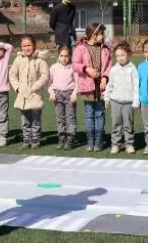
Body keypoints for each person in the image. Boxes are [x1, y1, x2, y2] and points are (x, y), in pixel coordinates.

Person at [73, 23, 112, 152]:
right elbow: (75, 65)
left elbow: (108, 67)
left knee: (100, 114)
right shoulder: (80, 48)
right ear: (93, 35)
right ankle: (90, 141)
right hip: (87, 87)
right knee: (89, 114)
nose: (103, 36)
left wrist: (105, 78)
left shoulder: (105, 49)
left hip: (100, 88)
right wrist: (87, 69)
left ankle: (99, 141)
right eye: (101, 34)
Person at [9, 35, 49, 149]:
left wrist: (34, 87)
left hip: (35, 95)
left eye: (29, 45)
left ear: (34, 46)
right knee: (25, 120)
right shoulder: (18, 59)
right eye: (24, 46)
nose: (27, 48)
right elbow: (12, 75)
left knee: (35, 120)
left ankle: (35, 139)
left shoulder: (40, 60)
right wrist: (17, 88)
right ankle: (26, 140)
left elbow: (45, 76)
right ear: (21, 47)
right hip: (22, 95)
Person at [105, 41, 139, 155]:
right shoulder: (114, 69)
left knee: (128, 124)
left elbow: (136, 86)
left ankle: (129, 144)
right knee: (116, 124)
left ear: (128, 54)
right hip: (116, 101)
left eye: (122, 55)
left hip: (128, 102)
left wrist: (135, 100)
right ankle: (116, 144)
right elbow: (110, 85)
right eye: (118, 56)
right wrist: (107, 98)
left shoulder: (132, 69)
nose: (120, 58)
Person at [48, 45, 78, 150]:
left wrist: (74, 94)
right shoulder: (53, 68)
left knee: (70, 118)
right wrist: (51, 93)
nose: (64, 58)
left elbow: (78, 83)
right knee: (60, 118)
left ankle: (70, 138)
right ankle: (61, 137)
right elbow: (49, 83)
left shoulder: (73, 68)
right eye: (61, 56)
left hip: (70, 95)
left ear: (70, 56)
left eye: (66, 56)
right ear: (58, 55)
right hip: (58, 96)